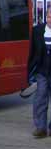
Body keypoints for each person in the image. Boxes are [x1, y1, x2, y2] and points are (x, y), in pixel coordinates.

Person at [28, 10, 51, 138]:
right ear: (46, 17)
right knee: (40, 98)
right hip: (42, 71)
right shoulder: (37, 31)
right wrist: (29, 73)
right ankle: (41, 128)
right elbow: (32, 53)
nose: (50, 20)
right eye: (49, 17)